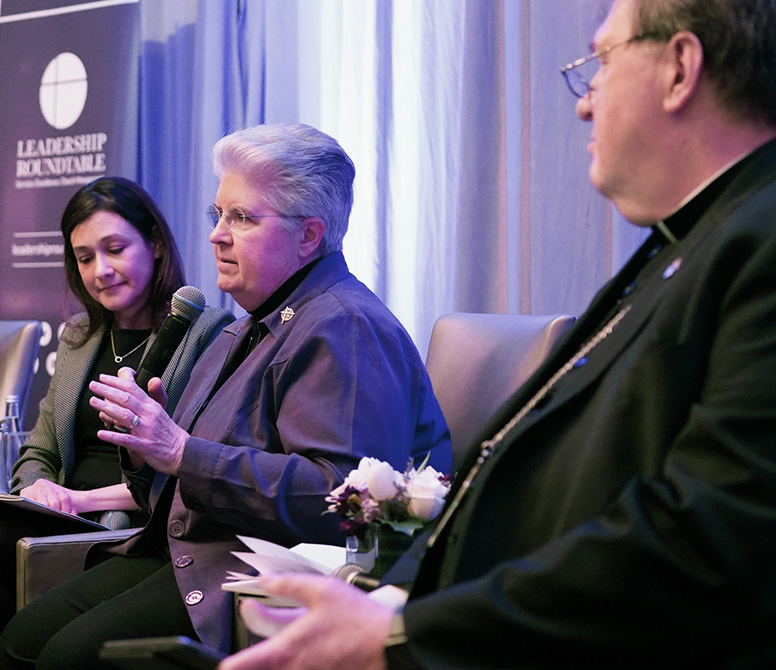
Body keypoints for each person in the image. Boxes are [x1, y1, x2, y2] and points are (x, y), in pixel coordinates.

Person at [218, 0, 776, 668]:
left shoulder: (758, 243)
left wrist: (403, 634)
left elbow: (707, 540)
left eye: (598, 62)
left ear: (680, 68)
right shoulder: (690, 239)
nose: (583, 103)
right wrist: (399, 603)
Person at [0, 123, 452, 668]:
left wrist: (181, 450)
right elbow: (178, 478)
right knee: (20, 638)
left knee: (67, 657)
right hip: (184, 549)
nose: (216, 235)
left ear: (309, 235)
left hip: (251, 571)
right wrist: (146, 448)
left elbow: (337, 498)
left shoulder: (343, 325)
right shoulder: (248, 326)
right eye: (218, 215)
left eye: (242, 218)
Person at [0, 177, 233, 669]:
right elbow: (39, 450)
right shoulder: (81, 334)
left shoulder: (206, 334)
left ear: (156, 244)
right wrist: (39, 490)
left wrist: (77, 499)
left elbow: (183, 471)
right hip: (59, 518)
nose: (102, 270)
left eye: (115, 249)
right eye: (85, 257)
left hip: (133, 529)